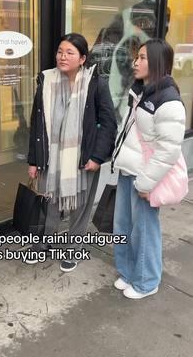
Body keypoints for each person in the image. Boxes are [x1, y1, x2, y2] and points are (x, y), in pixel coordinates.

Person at [27, 33, 117, 272]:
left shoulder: (95, 83)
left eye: (69, 53)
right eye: (59, 51)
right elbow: (36, 124)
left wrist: (98, 157)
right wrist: (34, 159)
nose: (62, 56)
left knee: (81, 205)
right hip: (52, 156)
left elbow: (109, 123)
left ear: (82, 58)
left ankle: (74, 247)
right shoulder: (46, 81)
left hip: (84, 156)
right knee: (50, 201)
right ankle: (46, 241)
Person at [111, 39, 186, 299]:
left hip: (144, 177)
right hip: (128, 169)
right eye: (136, 57)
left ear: (157, 62)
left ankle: (146, 281)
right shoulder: (142, 91)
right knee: (122, 226)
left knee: (144, 229)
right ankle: (128, 271)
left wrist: (146, 184)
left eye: (142, 58)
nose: (136, 62)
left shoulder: (168, 99)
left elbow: (168, 150)